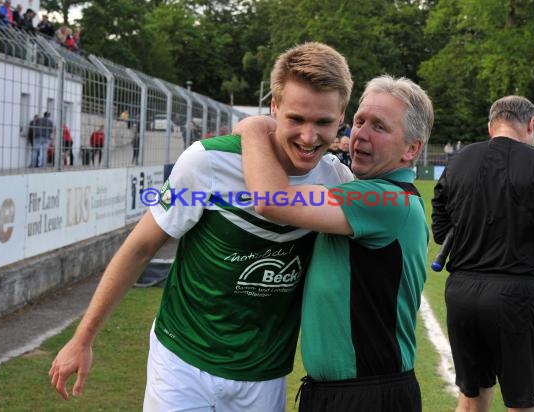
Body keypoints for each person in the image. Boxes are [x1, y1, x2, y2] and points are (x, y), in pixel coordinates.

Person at [49, 42, 354, 411]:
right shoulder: (208, 162)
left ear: (341, 117)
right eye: (296, 119)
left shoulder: (338, 182)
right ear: (274, 108)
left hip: (265, 374)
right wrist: (83, 338)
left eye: (323, 122)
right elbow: (140, 248)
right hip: (182, 362)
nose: (309, 137)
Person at [235, 74, 433, 411]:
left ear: (411, 149)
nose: (360, 135)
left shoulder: (383, 200)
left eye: (379, 127)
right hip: (344, 393)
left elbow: (271, 199)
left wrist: (255, 129)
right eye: (359, 120)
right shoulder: (383, 197)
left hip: (366, 396)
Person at [432, 95, 534, 411]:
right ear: (531, 125)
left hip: (461, 293)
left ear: (492, 126)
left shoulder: (458, 162)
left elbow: (440, 229)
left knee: (471, 400)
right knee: (525, 404)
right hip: (515, 297)